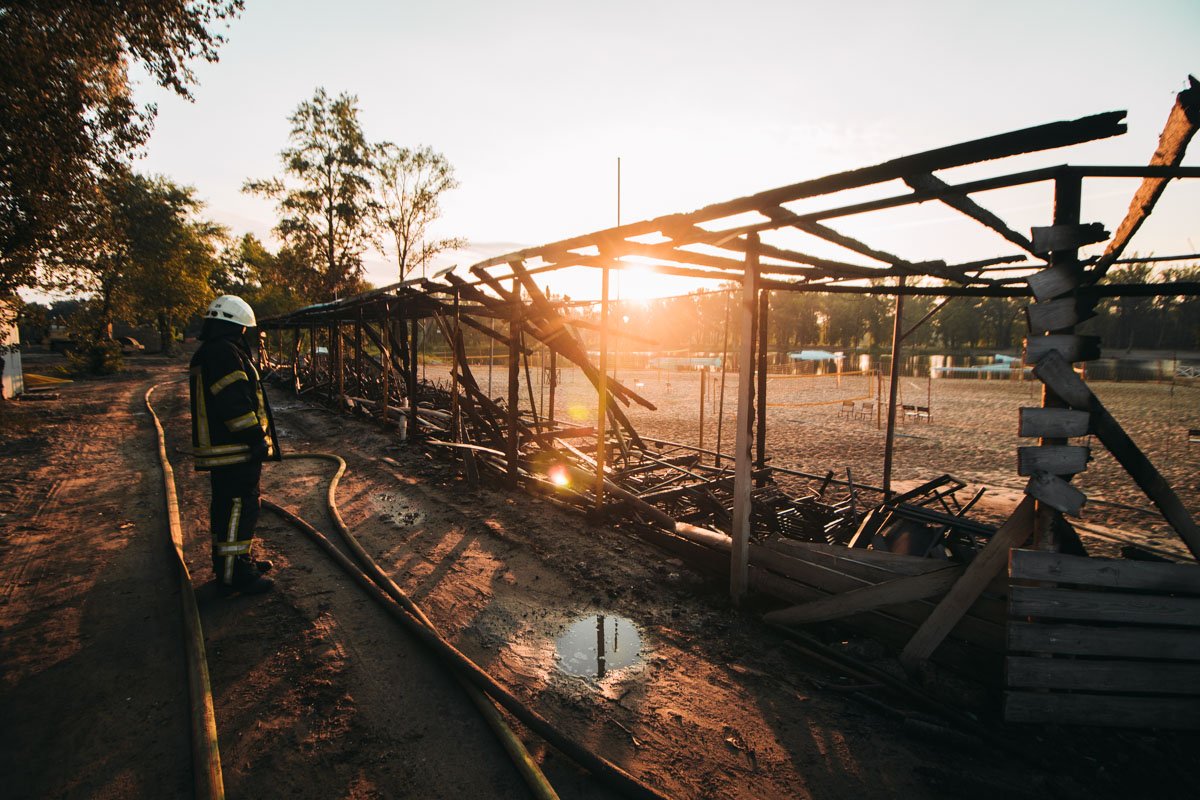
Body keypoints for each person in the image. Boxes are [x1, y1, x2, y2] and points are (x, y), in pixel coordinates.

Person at [189, 295, 281, 594]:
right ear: (237, 326)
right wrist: (255, 438)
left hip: (223, 449)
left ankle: (234, 561)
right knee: (239, 507)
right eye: (245, 329)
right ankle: (234, 575)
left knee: (227, 508)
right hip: (233, 449)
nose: (246, 334)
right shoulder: (224, 354)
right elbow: (235, 404)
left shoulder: (211, 352)